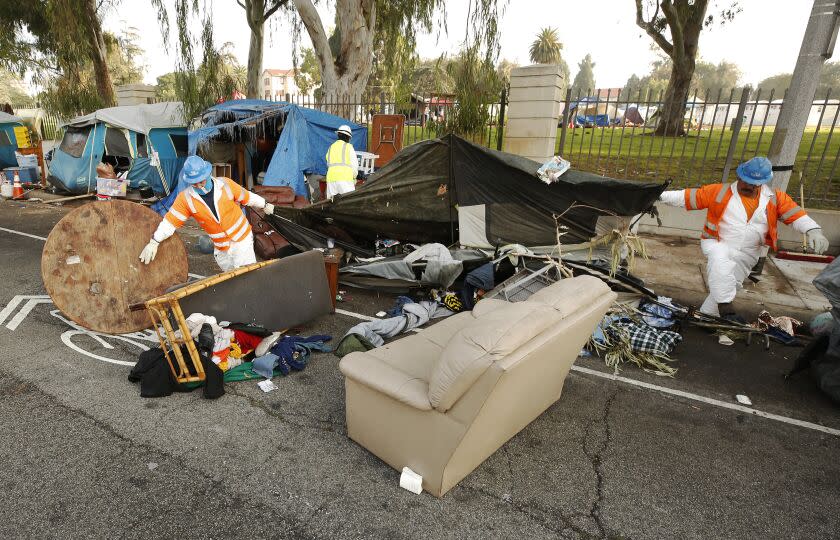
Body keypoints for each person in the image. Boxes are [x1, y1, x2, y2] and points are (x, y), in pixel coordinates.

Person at [657, 156, 829, 320]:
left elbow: (795, 215)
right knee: (720, 266)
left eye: (754, 184)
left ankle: (706, 316)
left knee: (733, 283)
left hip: (749, 251)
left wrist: (813, 229)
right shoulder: (719, 191)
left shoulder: (775, 198)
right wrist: (656, 195)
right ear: (739, 176)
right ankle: (726, 308)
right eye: (745, 181)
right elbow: (686, 197)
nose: (748, 186)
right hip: (718, 242)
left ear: (762, 183)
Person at [139, 155, 275, 272]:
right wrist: (154, 241)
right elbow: (170, 222)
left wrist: (265, 204)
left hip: (241, 240)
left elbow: (247, 197)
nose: (199, 185)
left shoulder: (226, 184)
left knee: (246, 276)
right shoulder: (185, 199)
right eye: (194, 183)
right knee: (230, 278)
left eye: (201, 181)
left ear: (208, 174)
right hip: (221, 246)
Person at [325, 124, 358, 198]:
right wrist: (354, 177)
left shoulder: (331, 147)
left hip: (331, 179)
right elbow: (354, 165)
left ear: (338, 135)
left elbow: (328, 163)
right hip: (345, 180)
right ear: (348, 137)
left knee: (331, 204)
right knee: (347, 203)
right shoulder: (349, 147)